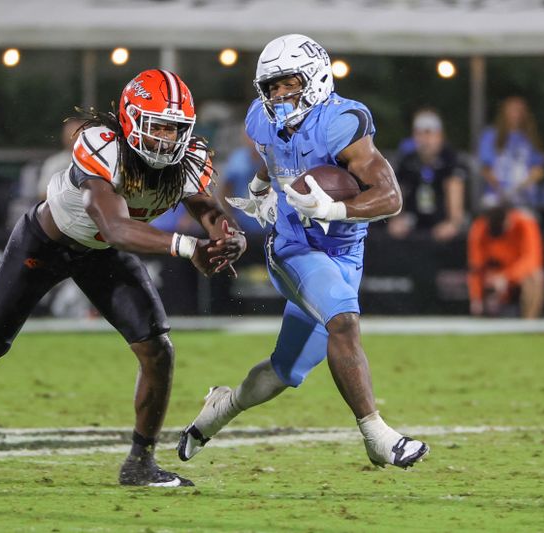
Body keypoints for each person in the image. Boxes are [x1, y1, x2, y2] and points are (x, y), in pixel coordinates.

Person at [0, 69, 246, 487]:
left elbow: (206, 208)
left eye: (175, 128)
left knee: (157, 349)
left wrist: (228, 239)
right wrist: (188, 248)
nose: (167, 138)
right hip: (47, 243)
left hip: (101, 255)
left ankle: (140, 462)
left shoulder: (191, 156)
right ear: (130, 120)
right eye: (157, 126)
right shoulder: (101, 145)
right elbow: (115, 228)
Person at [177, 34, 429, 469]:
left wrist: (335, 206)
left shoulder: (341, 122)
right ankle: (377, 435)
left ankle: (220, 408)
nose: (278, 95)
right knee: (344, 321)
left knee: (283, 372)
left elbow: (391, 198)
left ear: (314, 78)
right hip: (292, 247)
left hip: (345, 255)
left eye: (287, 83)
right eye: (271, 87)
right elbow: (274, 151)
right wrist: (260, 186)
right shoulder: (261, 118)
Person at [388, 109, 467, 242]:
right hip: (414, 220)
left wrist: (453, 223)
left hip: (440, 220)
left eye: (428, 133)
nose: (424, 139)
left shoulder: (450, 159)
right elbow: (398, 189)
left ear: (439, 135)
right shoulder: (407, 160)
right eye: (419, 134)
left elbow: (455, 187)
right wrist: (396, 219)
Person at [467, 203, 544, 319]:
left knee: (536, 276)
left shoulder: (525, 223)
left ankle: (529, 324)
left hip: (516, 274)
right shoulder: (480, 227)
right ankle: (485, 324)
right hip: (493, 274)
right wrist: (476, 297)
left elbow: (532, 260)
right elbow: (475, 267)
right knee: (484, 286)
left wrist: (506, 277)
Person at [478, 96, 544, 208]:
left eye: (519, 111)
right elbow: (486, 168)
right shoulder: (490, 136)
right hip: (495, 197)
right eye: (512, 110)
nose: (515, 115)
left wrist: (519, 189)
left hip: (524, 198)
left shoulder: (529, 138)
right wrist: (502, 190)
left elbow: (538, 170)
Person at [36, 118, 85, 201]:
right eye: (72, 136)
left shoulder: (97, 159)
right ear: (64, 138)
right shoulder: (54, 163)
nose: (75, 140)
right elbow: (43, 194)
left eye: (78, 136)